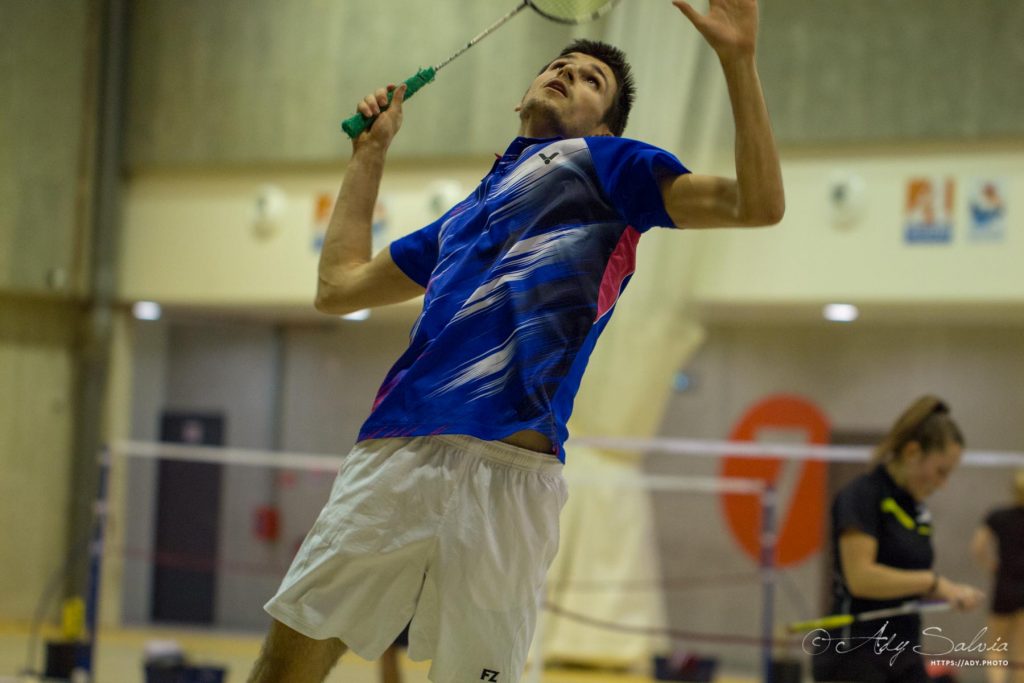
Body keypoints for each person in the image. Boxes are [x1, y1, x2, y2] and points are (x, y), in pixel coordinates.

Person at [248, 1, 784, 681]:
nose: (569, 71)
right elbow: (338, 286)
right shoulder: (462, 218)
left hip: (515, 481)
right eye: (561, 64)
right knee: (283, 666)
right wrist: (371, 153)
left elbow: (758, 204)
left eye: (592, 79)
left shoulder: (609, 168)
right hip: (398, 455)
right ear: (519, 96)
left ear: (610, 126)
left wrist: (738, 61)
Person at [811, 396, 984, 683]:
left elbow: (905, 579)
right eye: (941, 471)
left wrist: (951, 591)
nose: (942, 484)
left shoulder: (916, 510)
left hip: (903, 651)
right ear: (913, 452)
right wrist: (933, 583)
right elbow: (861, 578)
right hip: (854, 654)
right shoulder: (861, 496)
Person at [970, 470, 1024, 683]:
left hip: (1005, 584)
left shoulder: (999, 516)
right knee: (1021, 652)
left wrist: (990, 565)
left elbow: (978, 546)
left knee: (996, 646)